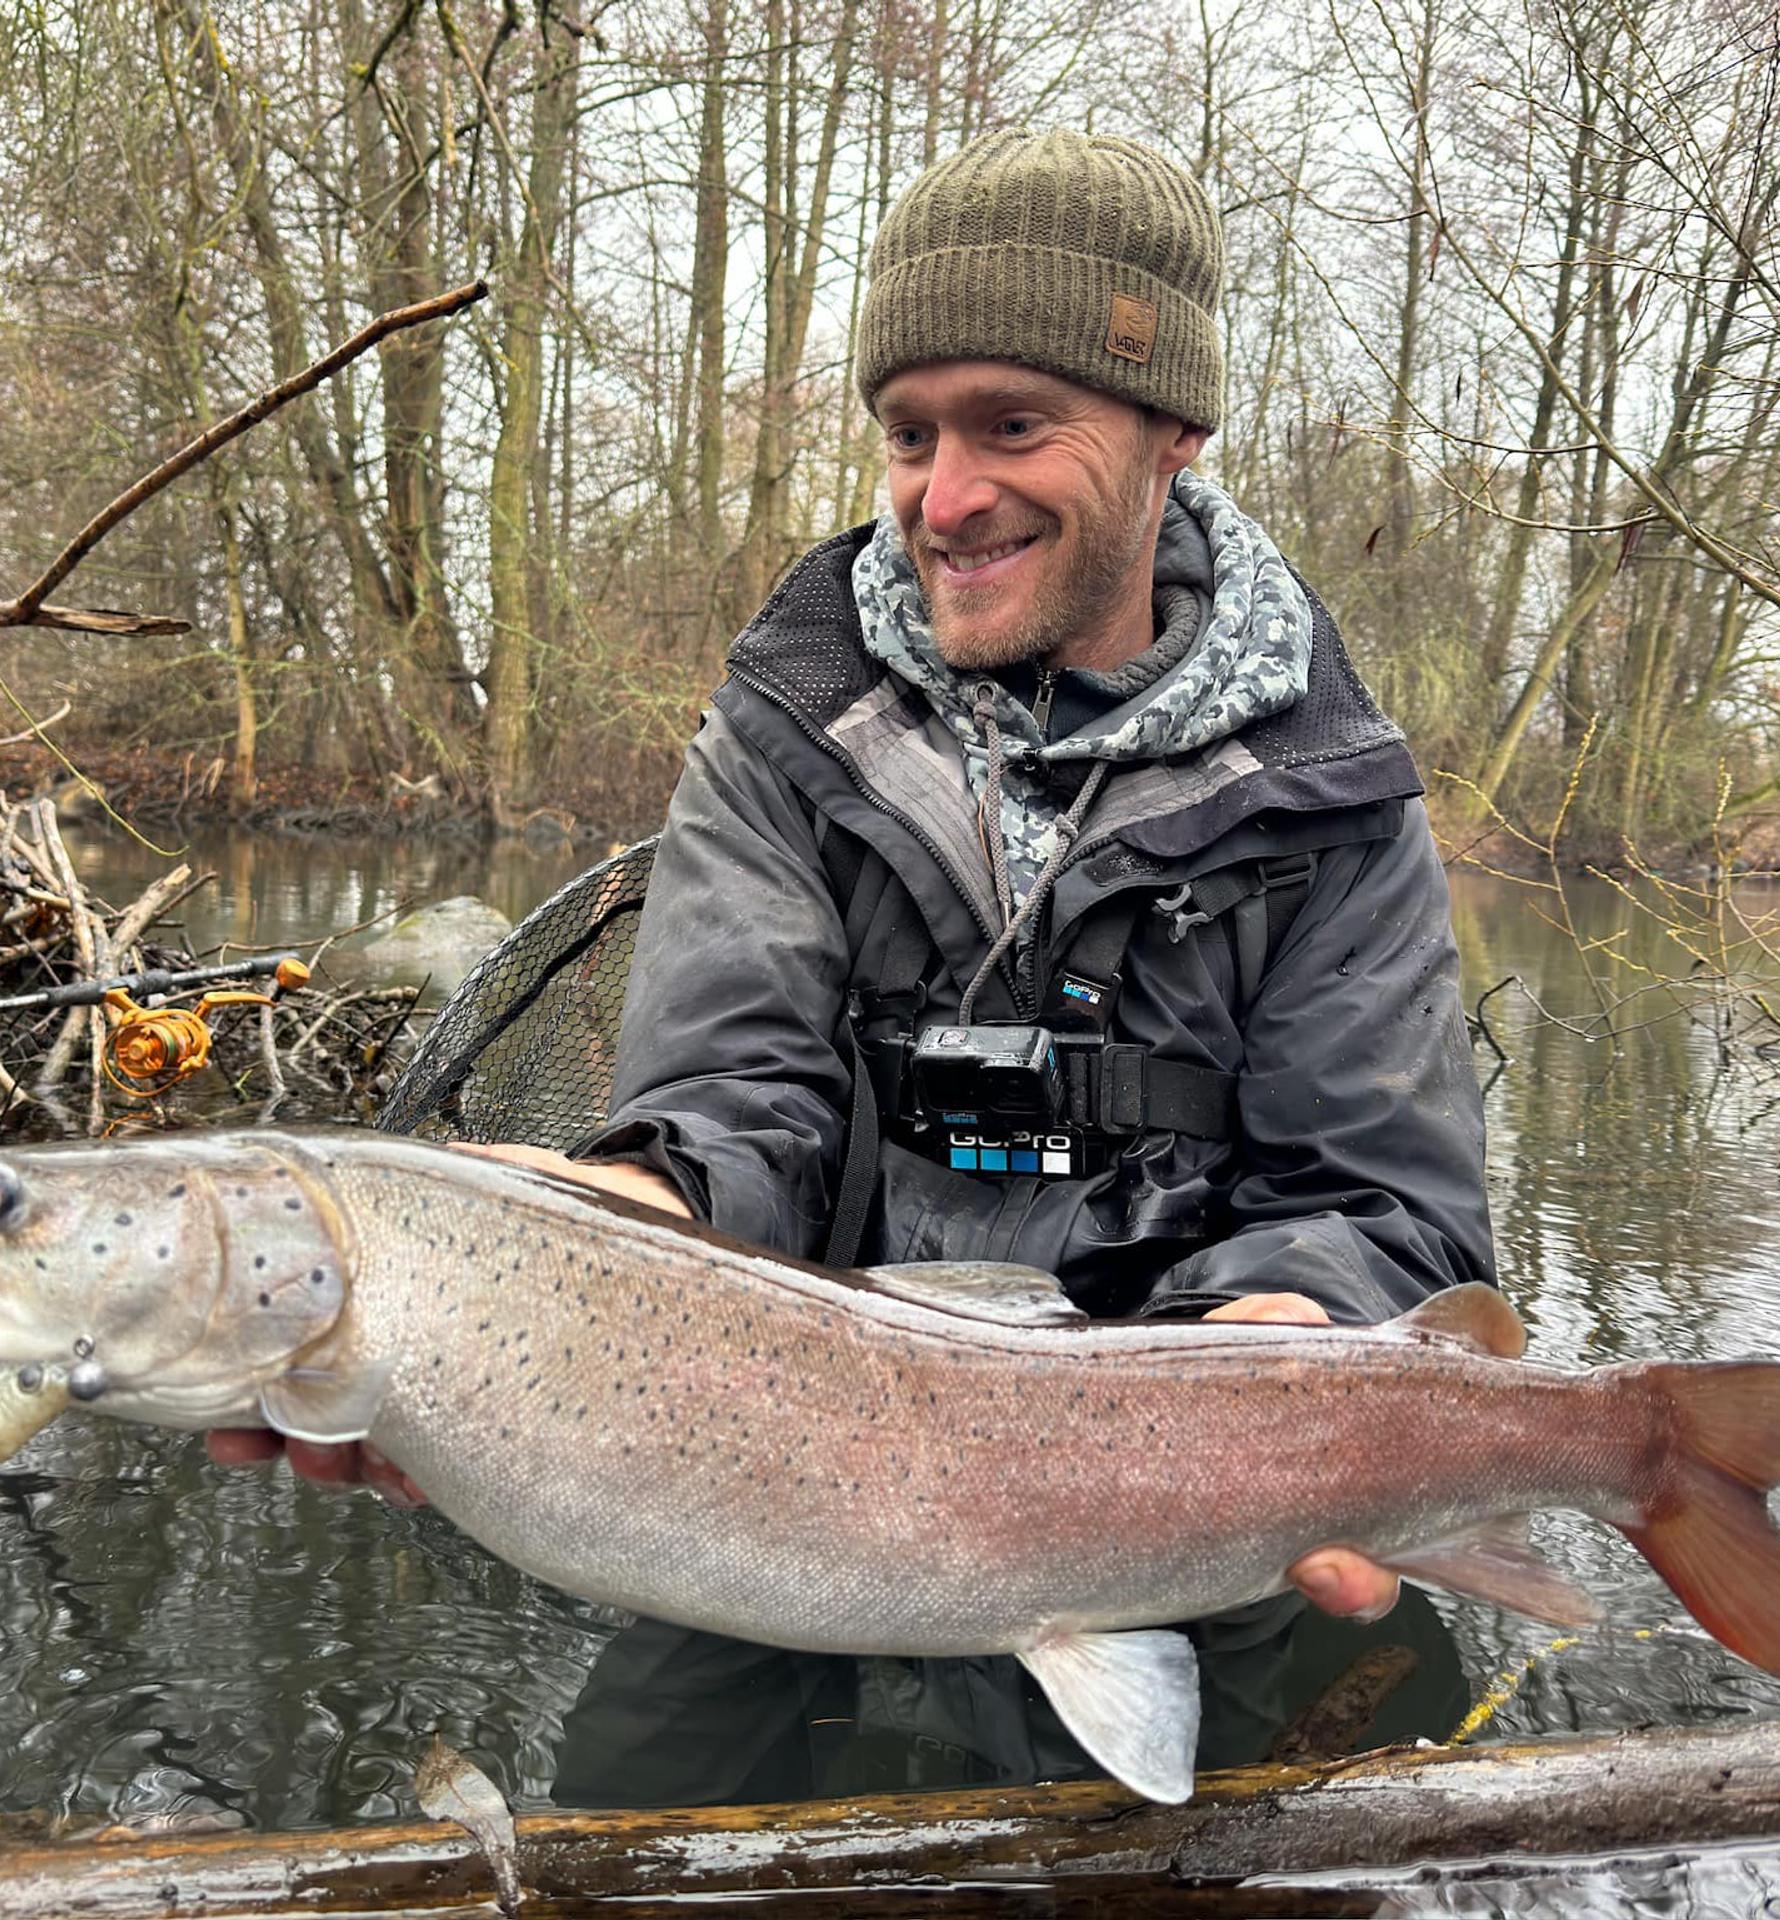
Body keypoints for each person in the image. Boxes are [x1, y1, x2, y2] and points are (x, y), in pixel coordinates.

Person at [217, 126, 1493, 1797]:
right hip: (789, 1469)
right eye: (909, 433)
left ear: (1175, 431)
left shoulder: (1333, 795)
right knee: (623, 1848)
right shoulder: (785, 730)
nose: (943, 500)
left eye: (1013, 425)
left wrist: (1275, 1371)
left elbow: (1389, 1206)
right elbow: (732, 1097)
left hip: (1197, 1493)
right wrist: (627, 1219)